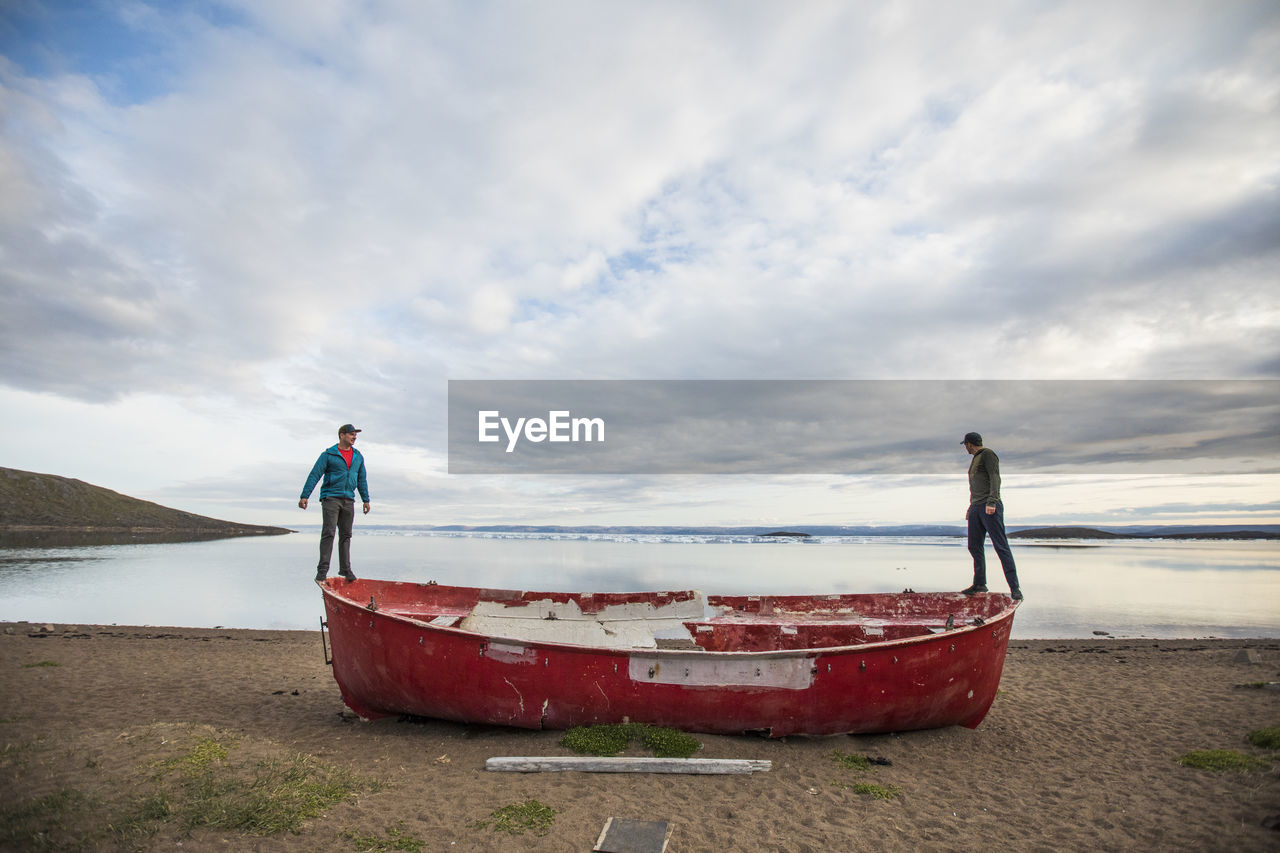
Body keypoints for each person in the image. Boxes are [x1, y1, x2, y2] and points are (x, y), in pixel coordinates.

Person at [300, 424, 371, 582]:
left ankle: (345, 569)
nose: (354, 437)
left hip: (348, 500)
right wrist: (305, 495)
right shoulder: (329, 454)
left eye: (355, 435)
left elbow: (361, 479)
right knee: (329, 533)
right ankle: (322, 570)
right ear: (342, 435)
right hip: (331, 498)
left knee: (346, 535)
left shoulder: (358, 456)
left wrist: (366, 499)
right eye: (351, 434)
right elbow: (315, 474)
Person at [961, 431, 1023, 600]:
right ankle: (980, 583)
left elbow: (995, 478)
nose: (965, 448)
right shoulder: (976, 459)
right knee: (974, 545)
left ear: (969, 444)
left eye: (965, 445)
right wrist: (971, 506)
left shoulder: (988, 454)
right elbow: (976, 486)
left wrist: (992, 501)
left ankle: (1015, 587)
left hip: (989, 506)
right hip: (976, 506)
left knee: (1000, 546)